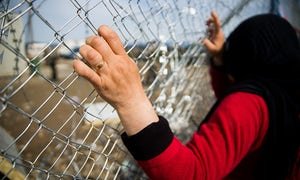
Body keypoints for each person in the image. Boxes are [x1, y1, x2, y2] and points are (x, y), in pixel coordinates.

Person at [73, 12, 300, 179]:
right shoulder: (283, 91)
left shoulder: (250, 103)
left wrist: (130, 100)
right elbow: (241, 120)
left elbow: (192, 174)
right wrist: (221, 59)